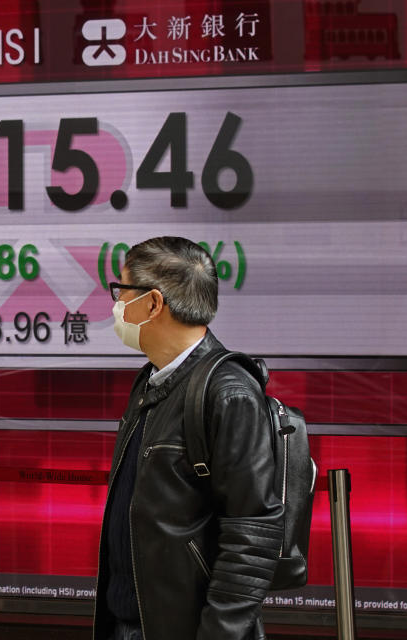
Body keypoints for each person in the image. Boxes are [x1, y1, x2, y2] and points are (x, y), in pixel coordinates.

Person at [93, 237, 284, 640]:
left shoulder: (229, 393)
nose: (116, 306)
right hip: (131, 623)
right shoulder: (151, 379)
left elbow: (252, 537)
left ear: (153, 304)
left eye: (122, 291)